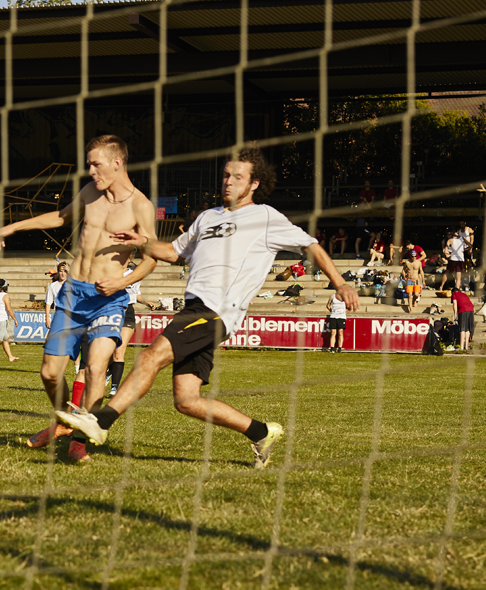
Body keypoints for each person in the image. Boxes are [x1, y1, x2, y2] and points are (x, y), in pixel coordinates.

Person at [57, 146, 358, 469]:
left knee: (149, 356)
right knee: (187, 401)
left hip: (216, 310)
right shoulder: (207, 217)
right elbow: (174, 252)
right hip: (196, 308)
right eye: (226, 175)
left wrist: (339, 282)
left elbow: (310, 245)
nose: (228, 182)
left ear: (254, 184)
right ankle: (261, 432)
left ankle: (101, 422)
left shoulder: (265, 217)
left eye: (237, 177)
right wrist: (140, 242)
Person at [0, 135, 157, 464]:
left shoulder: (140, 206)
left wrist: (122, 281)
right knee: (50, 373)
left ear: (116, 162)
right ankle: (63, 420)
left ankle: (79, 440)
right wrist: (13, 227)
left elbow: (151, 258)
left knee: (96, 368)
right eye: (89, 163)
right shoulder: (90, 192)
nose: (90, 169)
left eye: (96, 163)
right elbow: (62, 217)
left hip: (108, 298)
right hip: (73, 295)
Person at [108, 265, 158, 395]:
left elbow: (137, 295)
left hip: (128, 312)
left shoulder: (134, 274)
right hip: (111, 311)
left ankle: (114, 387)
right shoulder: (109, 270)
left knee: (119, 350)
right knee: (108, 350)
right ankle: (108, 369)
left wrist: (147, 302)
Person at [0, 278, 18, 363]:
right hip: (1, 319)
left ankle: (10, 357)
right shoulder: (6, 296)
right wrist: (15, 319)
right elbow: (9, 309)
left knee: (6, 339)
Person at [452, 285, 476, 351]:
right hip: (471, 309)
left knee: (462, 329)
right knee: (467, 329)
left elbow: (454, 304)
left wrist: (455, 315)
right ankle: (466, 346)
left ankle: (461, 347)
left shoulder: (454, 294)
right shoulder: (464, 294)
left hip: (463, 310)